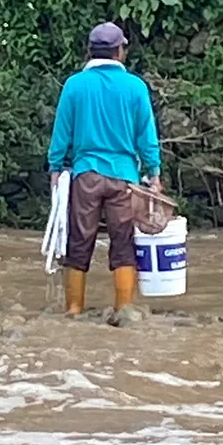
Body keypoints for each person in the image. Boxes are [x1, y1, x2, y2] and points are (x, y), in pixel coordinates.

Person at [47, 22, 162, 316]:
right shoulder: (135, 87)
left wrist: (55, 168)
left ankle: (74, 309)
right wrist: (154, 173)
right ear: (119, 51)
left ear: (90, 51)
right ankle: (123, 308)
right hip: (125, 177)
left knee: (79, 239)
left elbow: (62, 132)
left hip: (86, 174)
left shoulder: (75, 85)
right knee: (123, 241)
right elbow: (146, 136)